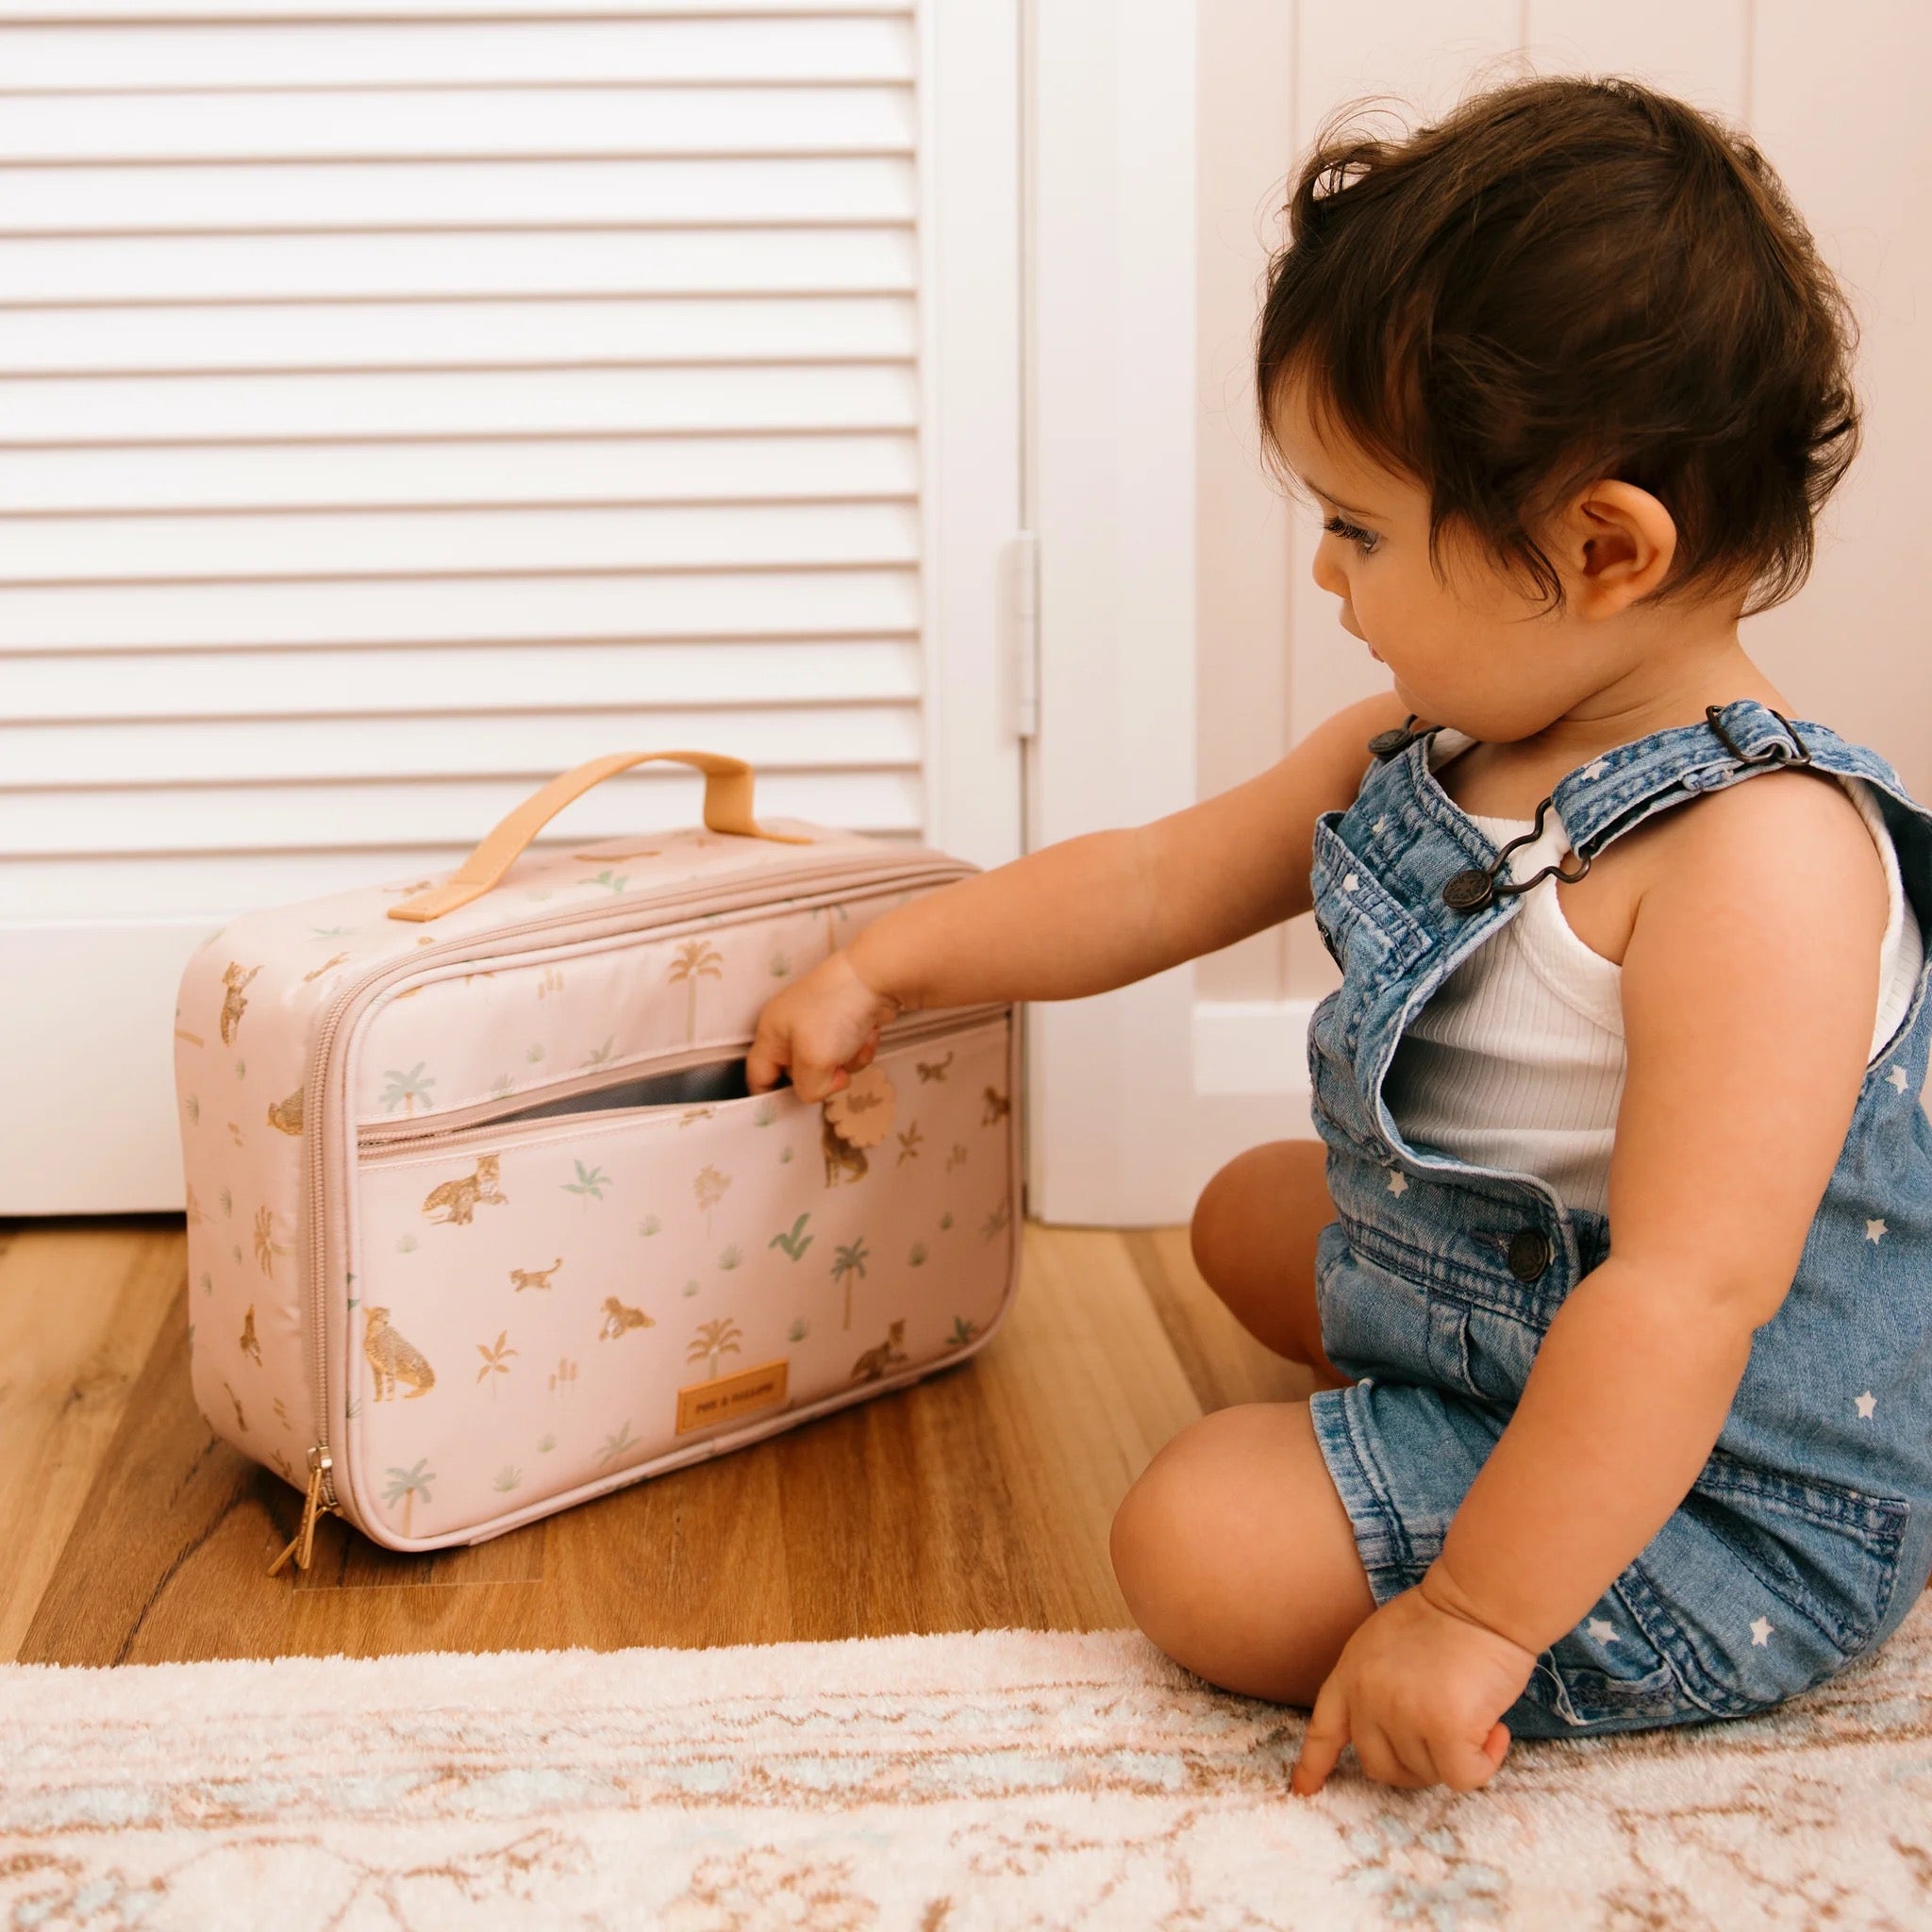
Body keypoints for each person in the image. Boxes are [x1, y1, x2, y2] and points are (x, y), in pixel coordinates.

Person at [744, 74, 1932, 1795]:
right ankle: (1442, 1422)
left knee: (1196, 1538)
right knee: (1241, 1216)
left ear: (1602, 548)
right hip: (1540, 1314)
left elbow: (1689, 1298)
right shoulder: (1436, 752)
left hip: (1727, 1481)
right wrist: (892, 962)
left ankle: (1474, 1517)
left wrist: (1472, 1613)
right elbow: (1156, 879)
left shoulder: (1763, 867)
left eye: (1359, 529)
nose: (1325, 575)